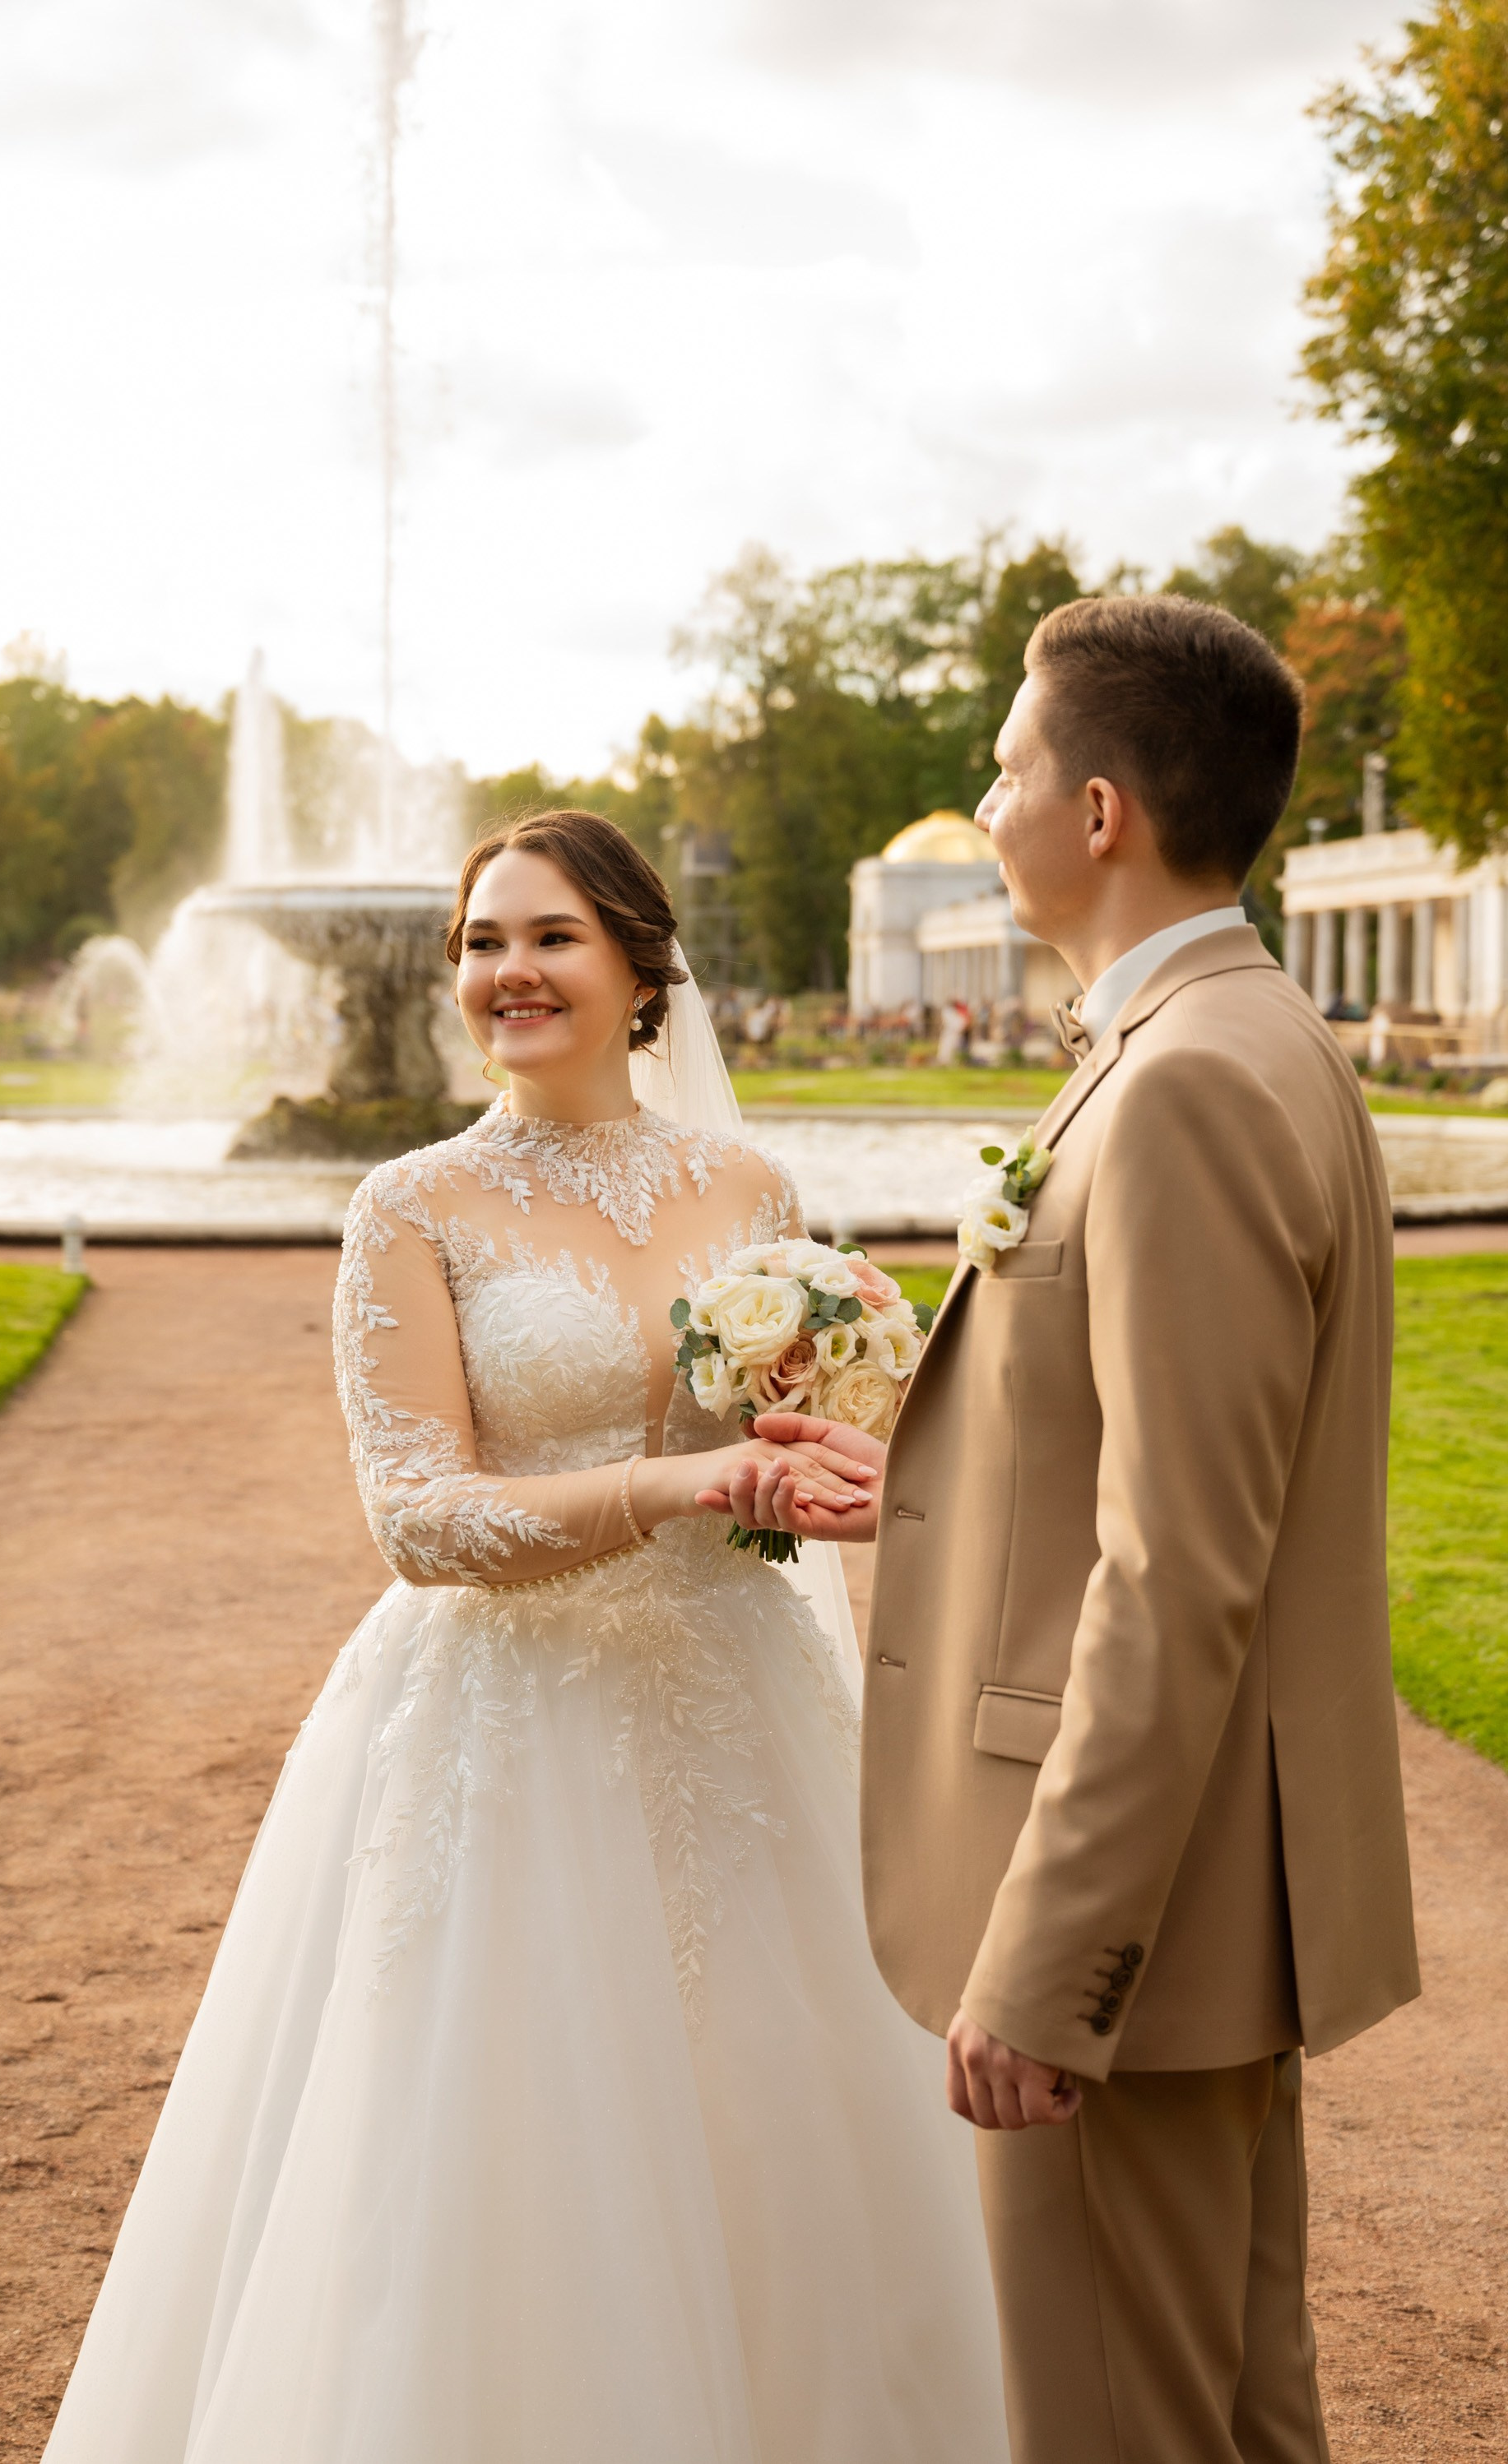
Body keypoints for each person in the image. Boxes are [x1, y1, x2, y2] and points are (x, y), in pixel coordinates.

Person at [42, 809, 1008, 2463]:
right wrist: (686, 1477)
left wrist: (815, 1429)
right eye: (483, 942)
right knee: (507, 2157)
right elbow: (418, 1519)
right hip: (506, 1722)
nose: (509, 972)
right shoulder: (410, 1205)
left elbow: (779, 1475)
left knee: (779, 2136)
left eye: (548, 936)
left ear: (640, 963)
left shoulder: (749, 1182)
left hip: (735, 1707)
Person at [722, 595, 1419, 2464]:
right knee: (1232, 2417)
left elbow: (1181, 1566)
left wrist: (1047, 1963)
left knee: (1121, 2430)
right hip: (1219, 1900)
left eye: (1012, 764)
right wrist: (933, 1498)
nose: (989, 792)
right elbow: (1160, 1477)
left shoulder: (1184, 1080)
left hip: (1136, 1915)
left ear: (1099, 810)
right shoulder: (1244, 1032)